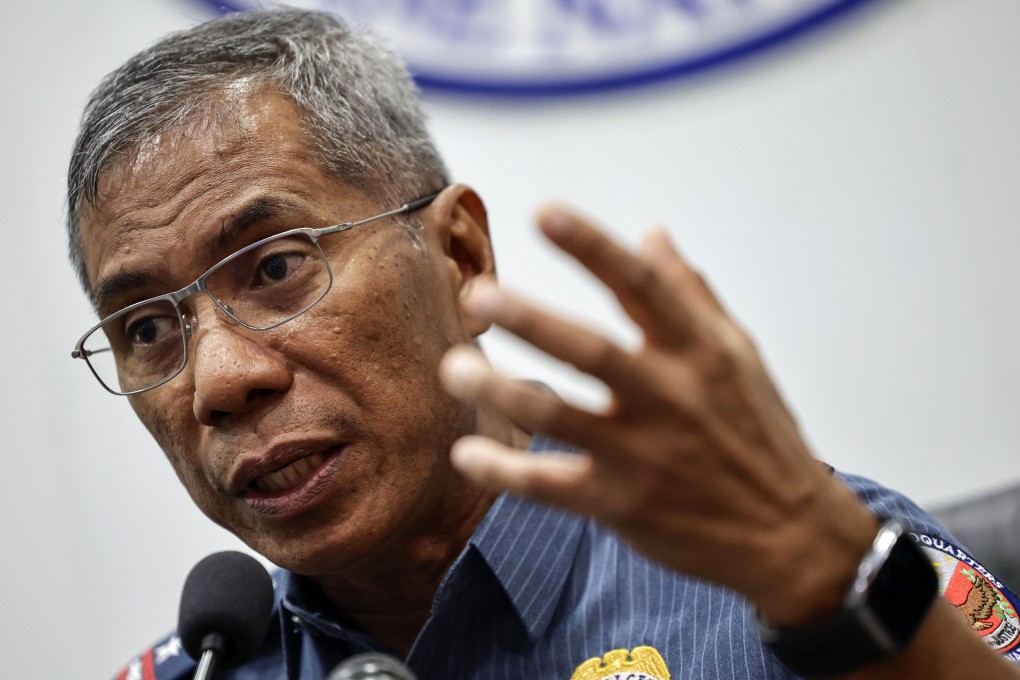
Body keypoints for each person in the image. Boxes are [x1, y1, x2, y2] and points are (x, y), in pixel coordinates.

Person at [65, 9, 1020, 680]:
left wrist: (841, 599)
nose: (221, 381)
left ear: (461, 255)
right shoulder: (202, 670)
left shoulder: (797, 575)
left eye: (275, 268)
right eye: (148, 328)